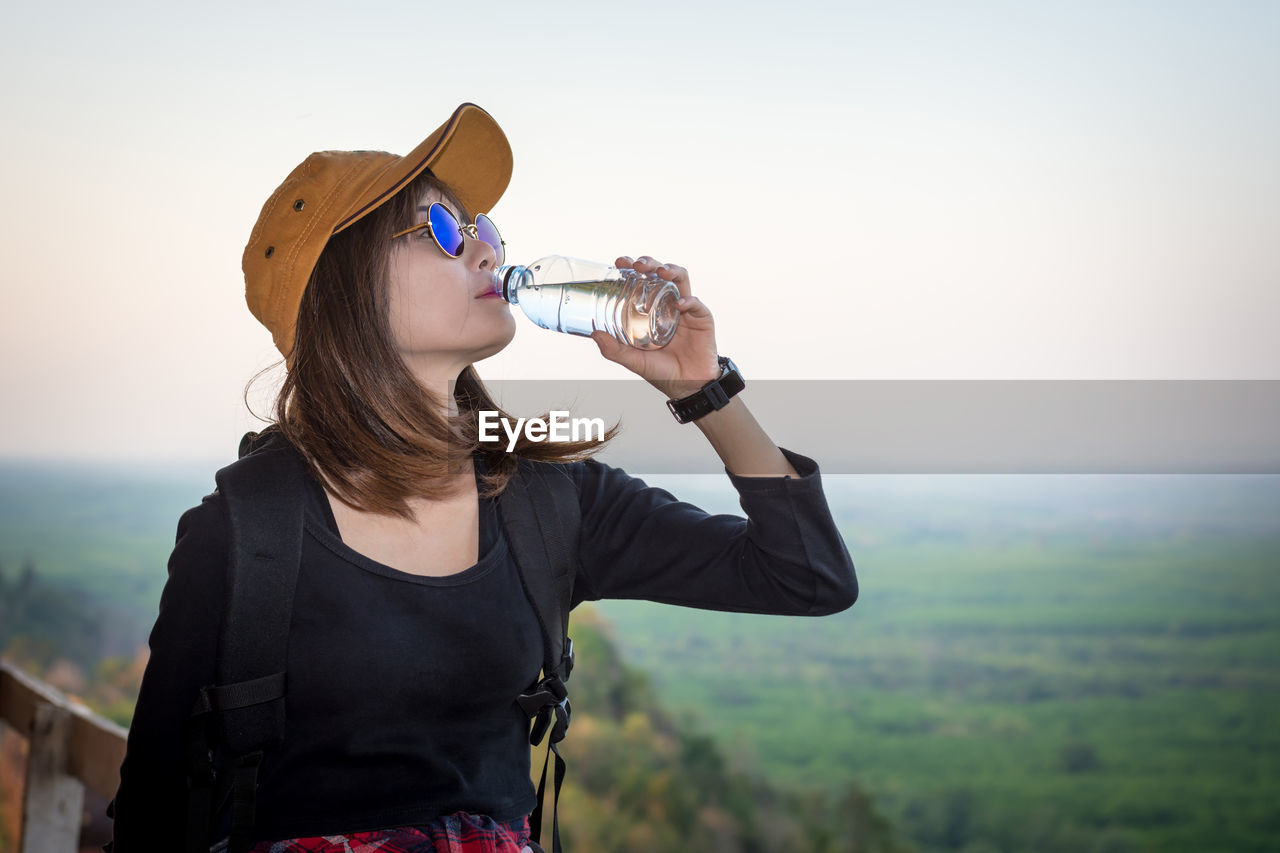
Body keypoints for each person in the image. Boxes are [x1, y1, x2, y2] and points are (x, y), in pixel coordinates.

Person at [108, 102, 858, 853]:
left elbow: (808, 575)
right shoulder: (245, 531)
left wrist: (703, 388)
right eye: (442, 230)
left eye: (487, 233)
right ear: (344, 286)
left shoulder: (547, 499)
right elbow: (149, 812)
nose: (487, 254)